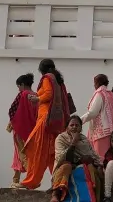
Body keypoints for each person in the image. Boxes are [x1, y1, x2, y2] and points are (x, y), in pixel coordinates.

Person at [20, 58, 72, 190]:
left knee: (37, 149)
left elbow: (48, 94)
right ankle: (57, 181)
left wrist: (37, 98)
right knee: (52, 154)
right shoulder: (58, 80)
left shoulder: (47, 78)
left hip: (46, 120)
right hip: (55, 122)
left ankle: (31, 181)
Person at [50, 116, 102, 202]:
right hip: (66, 168)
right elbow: (62, 158)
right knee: (66, 166)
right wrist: (74, 142)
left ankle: (95, 198)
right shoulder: (61, 138)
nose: (74, 127)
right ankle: (55, 195)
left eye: (77, 125)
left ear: (81, 128)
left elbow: (93, 156)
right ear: (67, 127)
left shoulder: (84, 139)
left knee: (92, 169)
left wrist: (94, 162)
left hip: (83, 167)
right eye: (72, 125)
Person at [7, 73, 38, 188]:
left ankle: (31, 179)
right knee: (22, 154)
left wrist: (12, 123)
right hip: (32, 129)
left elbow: (12, 110)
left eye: (18, 86)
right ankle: (16, 179)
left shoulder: (23, 94)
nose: (18, 89)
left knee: (22, 154)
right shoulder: (36, 96)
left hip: (21, 128)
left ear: (23, 84)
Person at [81, 74, 113, 158]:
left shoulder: (99, 94)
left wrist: (79, 121)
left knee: (100, 159)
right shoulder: (111, 95)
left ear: (97, 83)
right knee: (110, 158)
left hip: (101, 134)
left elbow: (92, 112)